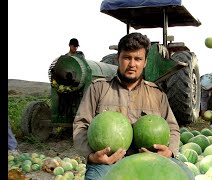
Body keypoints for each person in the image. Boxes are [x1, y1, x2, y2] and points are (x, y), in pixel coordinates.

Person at [73, 32, 194, 180]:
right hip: (109, 163)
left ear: (145, 62)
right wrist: (92, 156)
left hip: (149, 161)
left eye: (138, 59)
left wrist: (170, 151)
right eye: (127, 58)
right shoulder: (98, 88)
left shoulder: (157, 94)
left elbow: (173, 128)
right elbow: (81, 125)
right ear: (118, 58)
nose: (132, 64)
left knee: (186, 176)